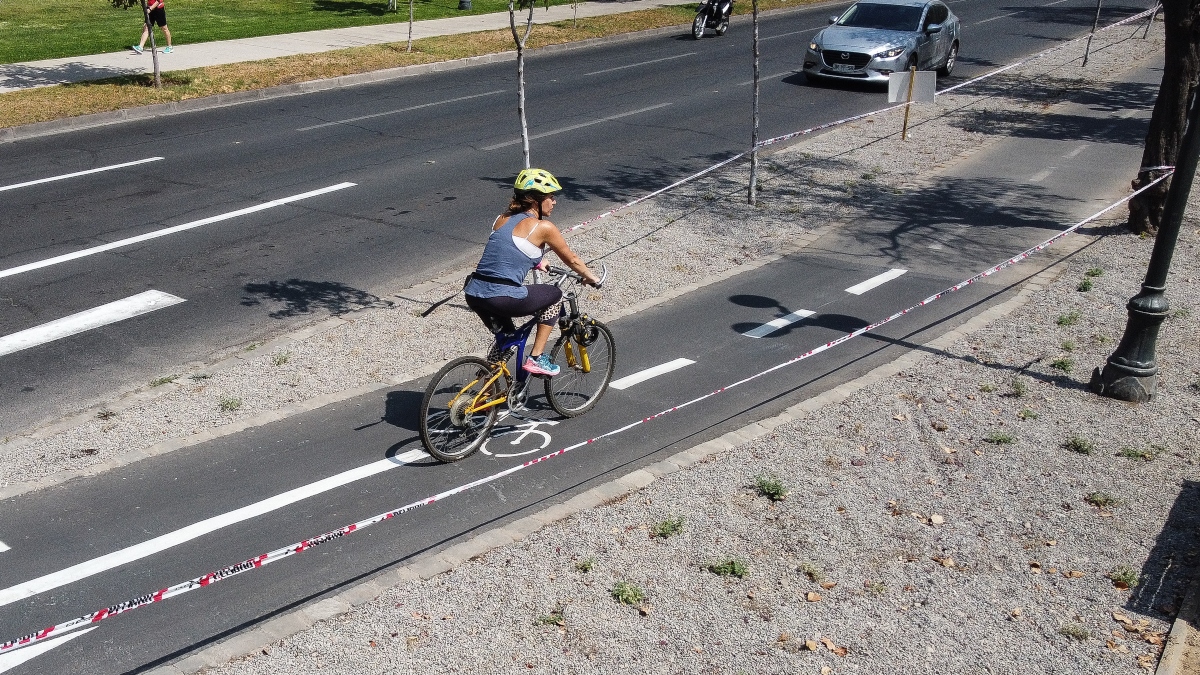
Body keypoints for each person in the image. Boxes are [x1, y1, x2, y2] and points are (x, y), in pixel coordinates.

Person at [464, 168, 602, 377]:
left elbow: (508, 249)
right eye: (550, 197)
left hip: (474, 293)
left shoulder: (502, 218)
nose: (554, 202)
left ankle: (486, 389)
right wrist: (592, 277)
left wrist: (537, 261)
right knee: (555, 296)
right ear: (536, 200)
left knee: (507, 339)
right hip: (502, 297)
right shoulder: (544, 227)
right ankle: (536, 357)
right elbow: (572, 259)